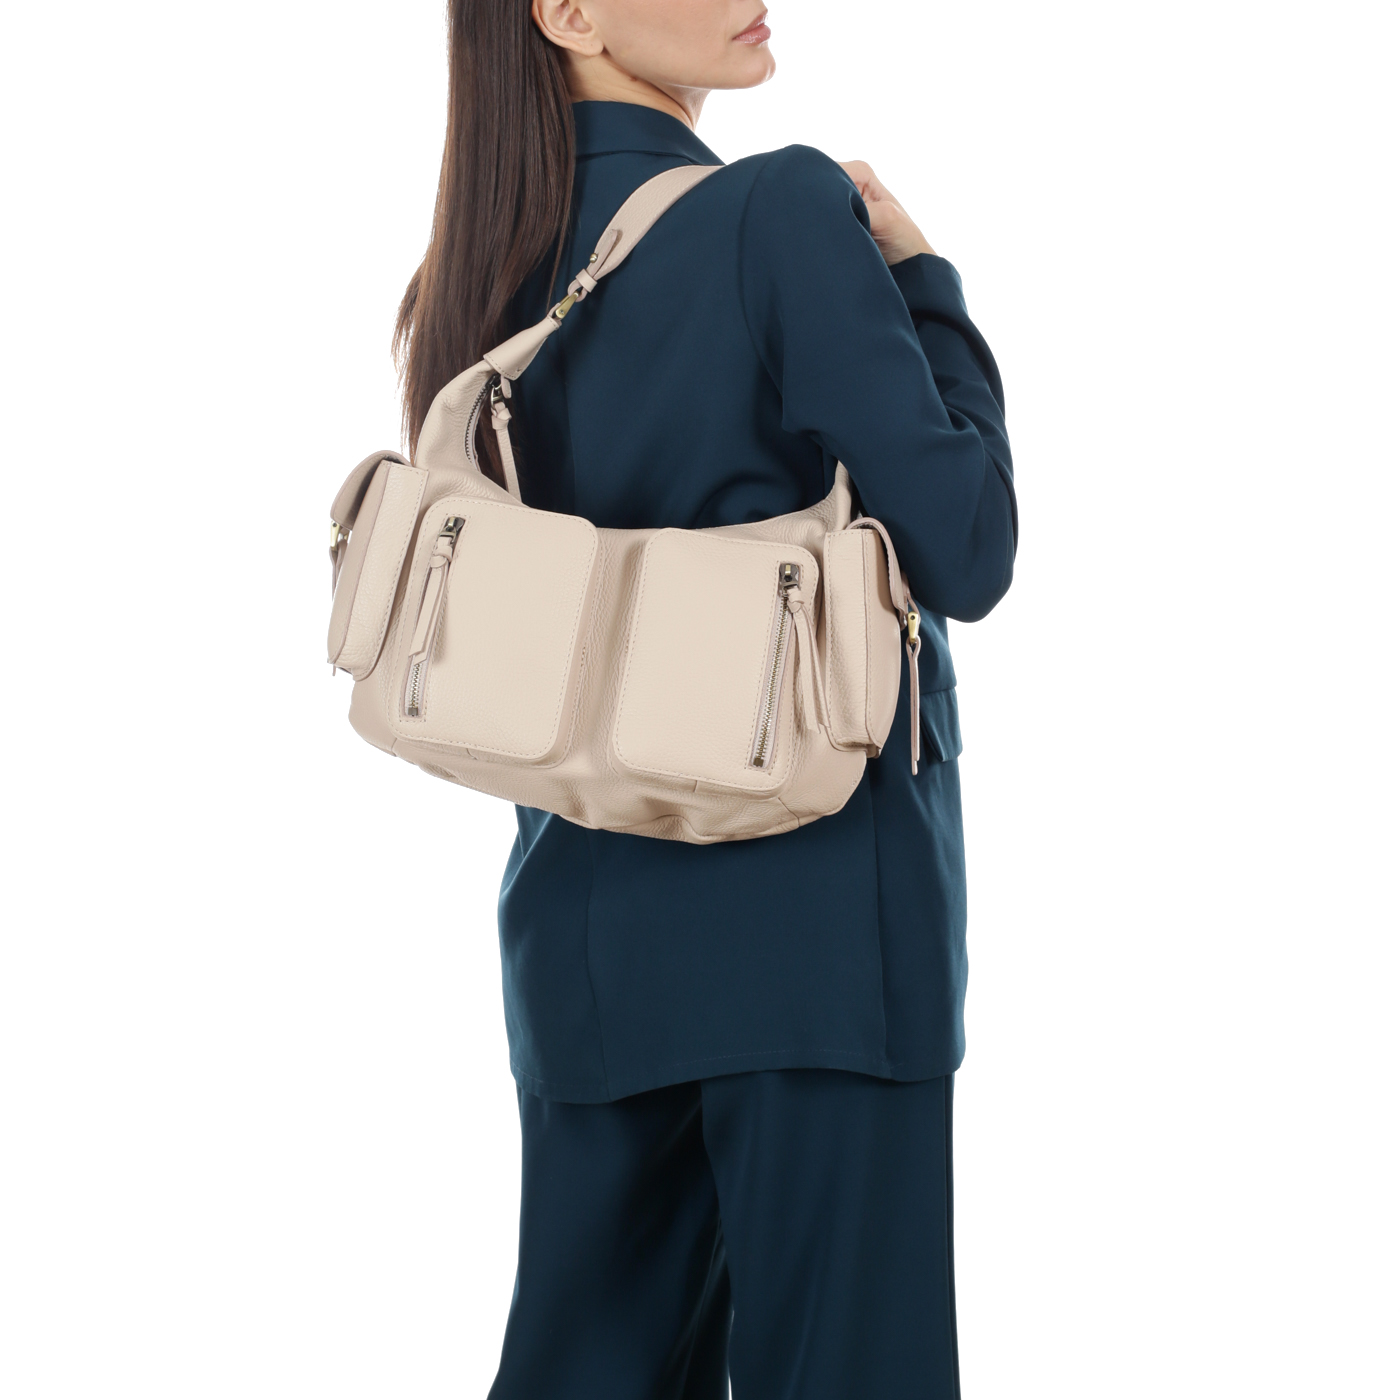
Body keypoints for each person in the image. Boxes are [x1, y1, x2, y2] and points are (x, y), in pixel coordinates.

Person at [392, 3, 1016, 1395]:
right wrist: (923, 280)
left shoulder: (479, 266)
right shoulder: (780, 211)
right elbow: (968, 546)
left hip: (583, 945)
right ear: (566, 13)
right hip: (821, 932)